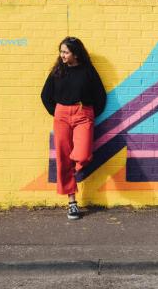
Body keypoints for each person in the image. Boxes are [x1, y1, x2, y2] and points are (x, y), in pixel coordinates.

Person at [41, 37, 107, 220]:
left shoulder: (88, 71)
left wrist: (91, 114)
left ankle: (73, 168)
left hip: (83, 114)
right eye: (61, 52)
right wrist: (57, 113)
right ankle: (72, 203)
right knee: (63, 158)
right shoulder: (57, 71)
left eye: (65, 52)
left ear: (75, 53)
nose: (62, 55)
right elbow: (45, 95)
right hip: (61, 114)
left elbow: (100, 95)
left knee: (83, 155)